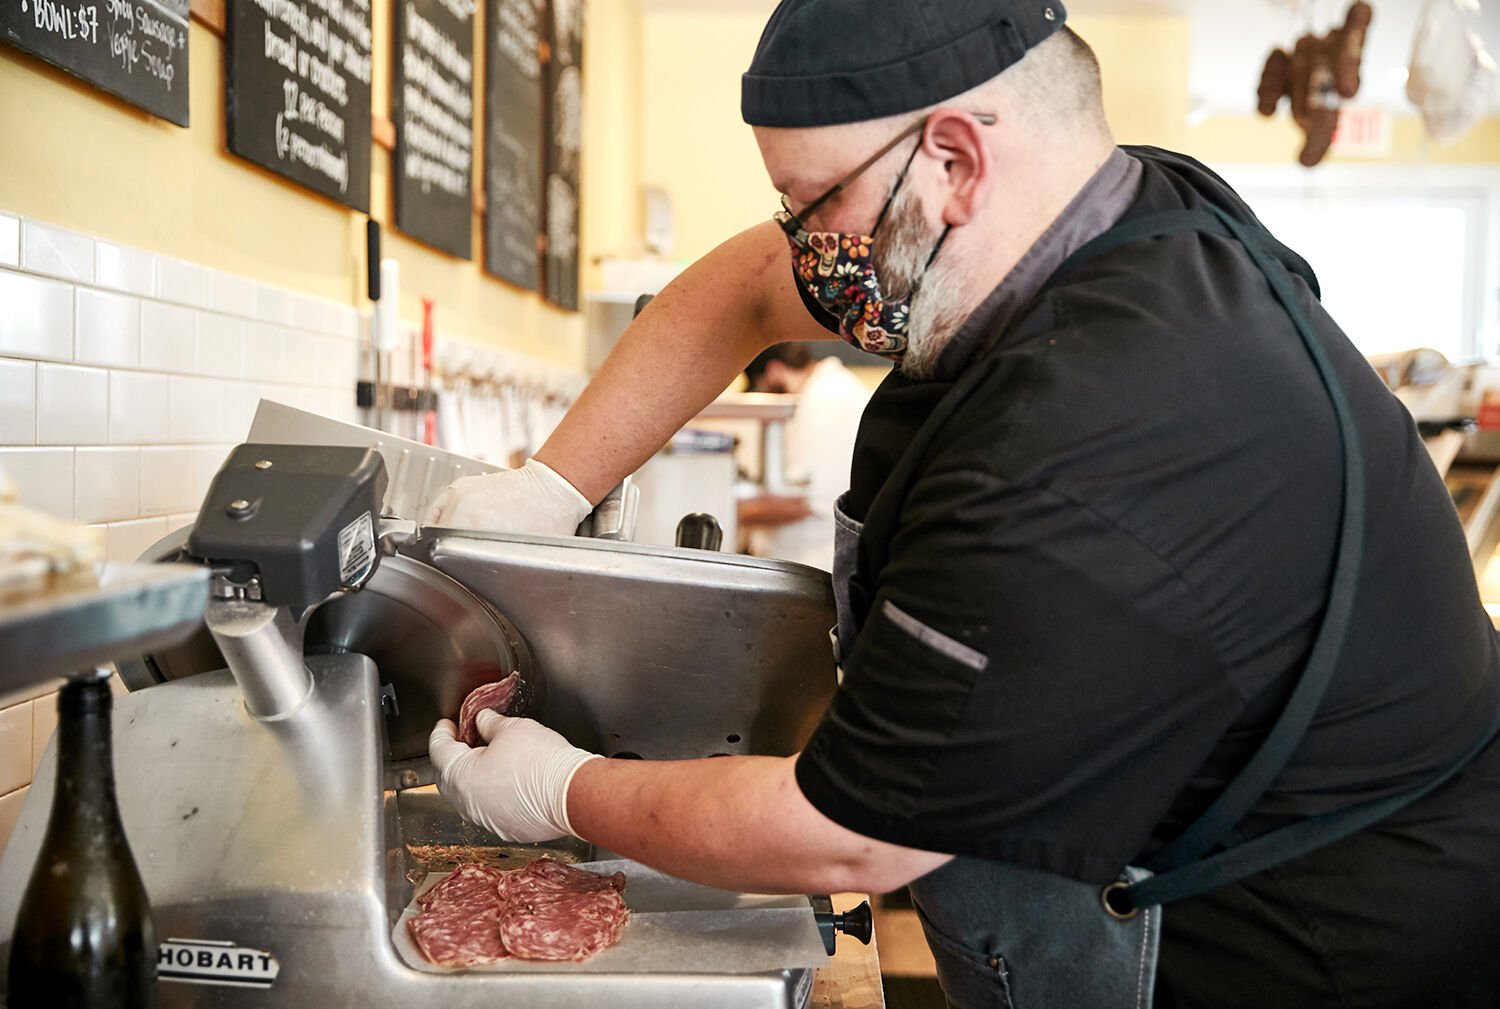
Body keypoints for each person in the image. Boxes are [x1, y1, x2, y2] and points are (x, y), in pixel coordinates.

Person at [423, 2, 1500, 1005]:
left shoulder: (1087, 443)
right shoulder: (1079, 219)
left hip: (1299, 937)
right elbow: (752, 287)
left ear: (955, 158)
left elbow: (849, 833)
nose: (806, 246)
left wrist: (563, 790)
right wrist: (550, 485)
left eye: (815, 204)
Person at [738, 344, 873, 569]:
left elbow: (803, 500)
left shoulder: (826, 400)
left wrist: (733, 511)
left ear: (774, 371)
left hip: (815, 564)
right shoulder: (830, 390)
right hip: (819, 560)